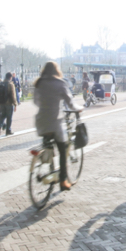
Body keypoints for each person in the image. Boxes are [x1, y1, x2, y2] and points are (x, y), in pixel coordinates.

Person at [34, 62, 82, 191]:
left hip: (40, 122)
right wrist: (79, 109)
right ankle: (63, 181)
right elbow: (71, 103)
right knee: (62, 149)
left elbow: (36, 101)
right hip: (55, 122)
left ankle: (45, 162)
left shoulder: (39, 83)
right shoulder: (60, 84)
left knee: (47, 144)